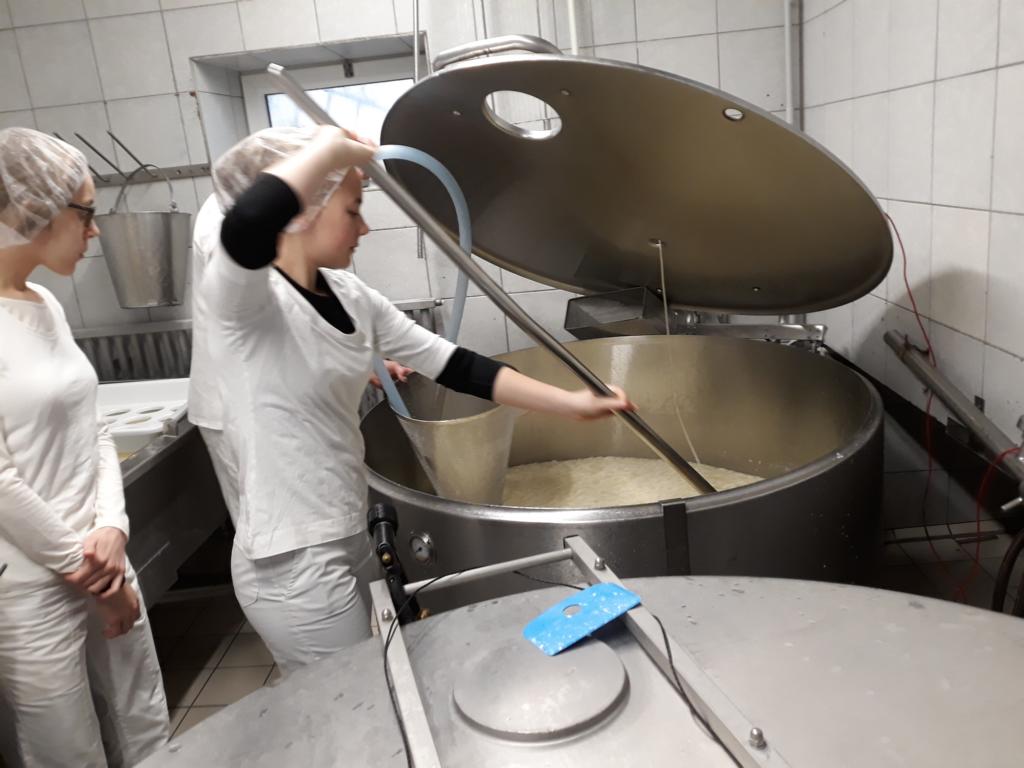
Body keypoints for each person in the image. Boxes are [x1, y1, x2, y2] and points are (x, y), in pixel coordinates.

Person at [201, 125, 635, 674]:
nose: (364, 226)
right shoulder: (244, 300)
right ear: (304, 213)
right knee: (355, 702)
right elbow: (246, 227)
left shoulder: (349, 295)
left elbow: (455, 365)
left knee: (382, 686)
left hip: (345, 529)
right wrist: (331, 150)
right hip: (291, 561)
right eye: (353, 210)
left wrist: (571, 403)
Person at [0, 128, 169, 766]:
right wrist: (93, 574)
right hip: (34, 585)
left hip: (102, 555)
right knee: (66, 750)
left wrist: (113, 527)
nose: (94, 231)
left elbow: (92, 424)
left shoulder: (44, 302)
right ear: (31, 209)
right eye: (86, 213)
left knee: (144, 723)